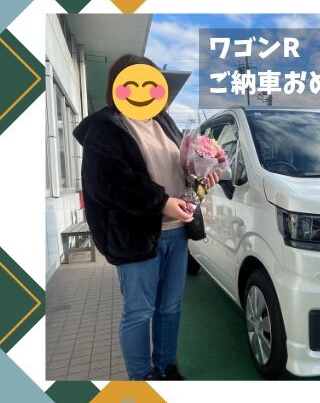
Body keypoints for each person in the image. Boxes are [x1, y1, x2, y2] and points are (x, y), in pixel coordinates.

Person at [73, 54, 219, 380]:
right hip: (135, 235)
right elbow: (109, 182)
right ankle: (142, 377)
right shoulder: (105, 127)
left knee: (171, 307)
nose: (142, 90)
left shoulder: (165, 123)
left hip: (177, 232)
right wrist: (161, 203)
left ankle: (166, 367)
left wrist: (202, 180)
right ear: (117, 87)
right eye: (133, 83)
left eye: (150, 84)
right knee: (139, 312)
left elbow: (183, 172)